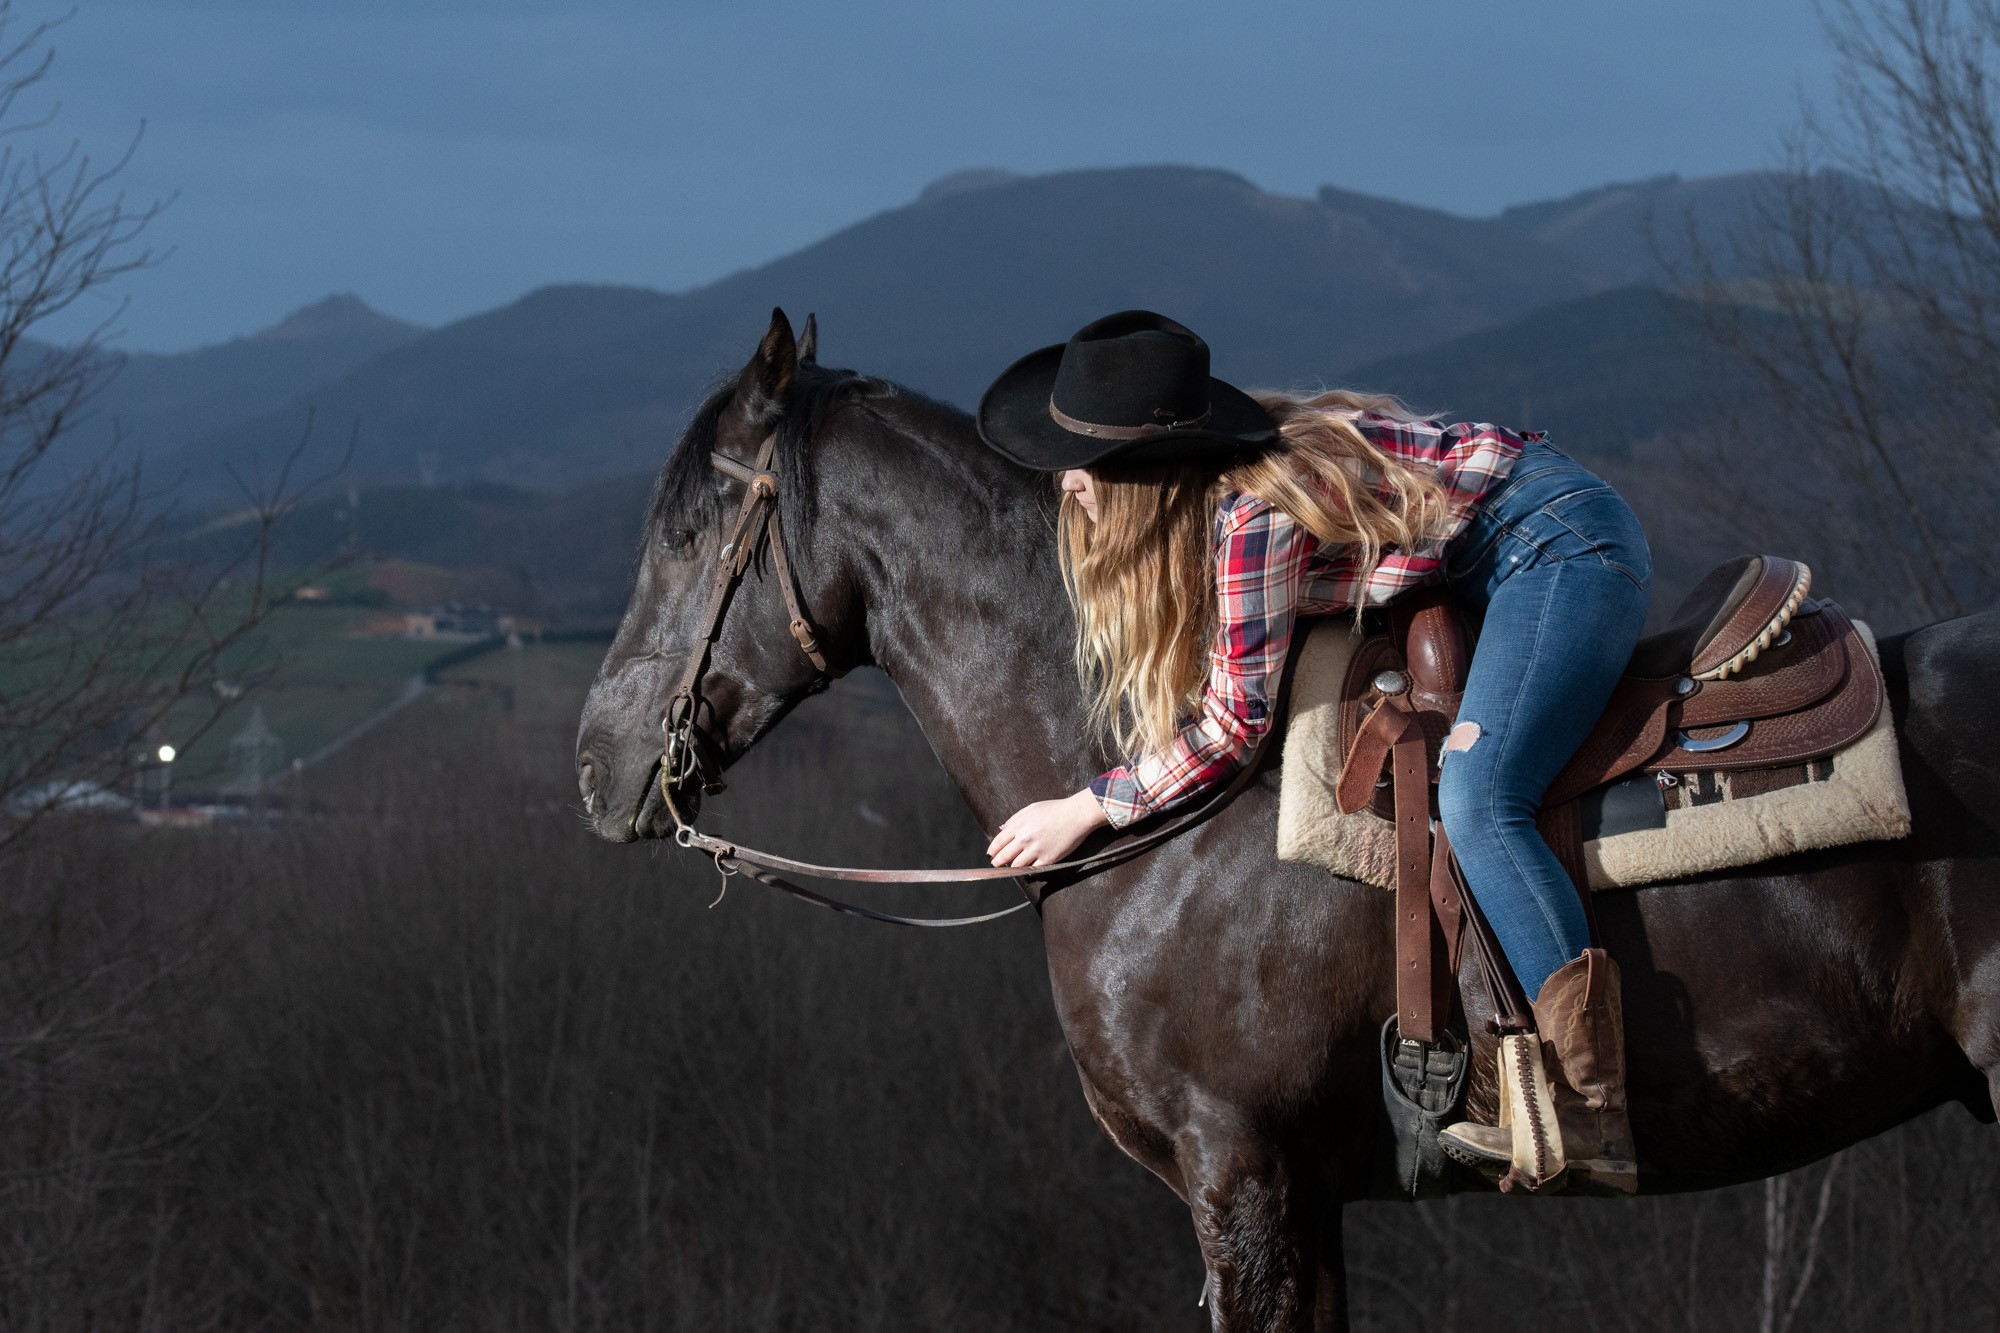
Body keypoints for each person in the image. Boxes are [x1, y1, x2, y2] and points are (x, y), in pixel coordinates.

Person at [973, 310, 1652, 1193]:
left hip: (1558, 543)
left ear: (1147, 478)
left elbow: (1230, 726)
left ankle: (1588, 1106)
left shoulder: (1250, 514)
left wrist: (1087, 805)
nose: (1066, 484)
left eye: (1086, 465)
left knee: (1482, 797)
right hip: (1511, 524)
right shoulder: (1215, 494)